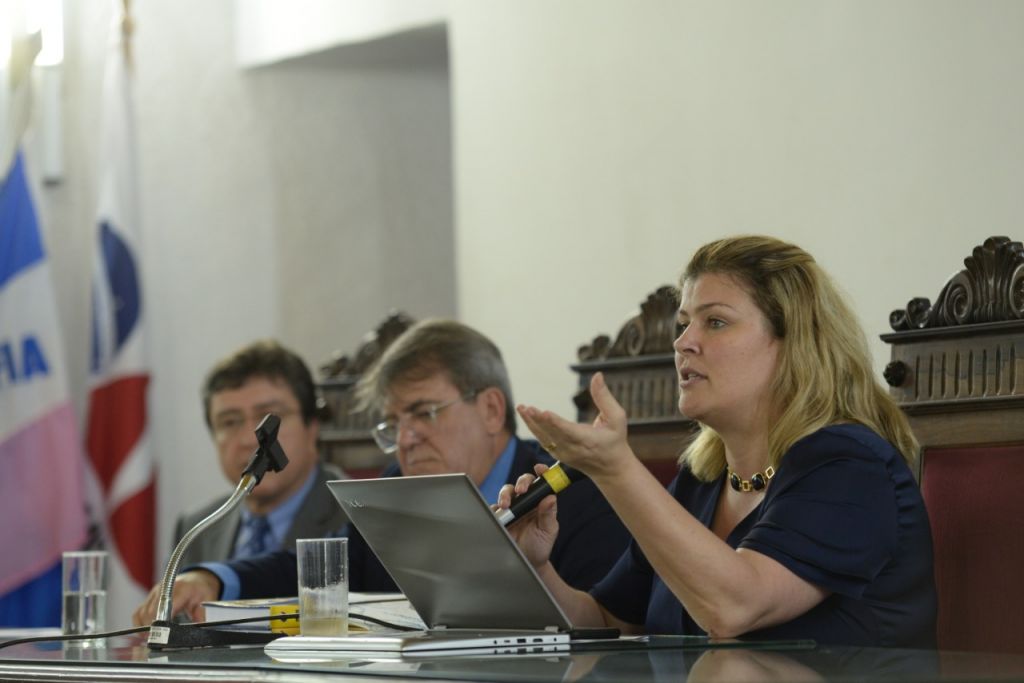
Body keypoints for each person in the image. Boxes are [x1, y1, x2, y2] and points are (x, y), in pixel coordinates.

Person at [500, 235, 937, 647]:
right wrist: (533, 567)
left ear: (794, 343)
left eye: (715, 322)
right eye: (684, 324)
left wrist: (615, 469)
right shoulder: (700, 481)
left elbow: (734, 608)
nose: (683, 342)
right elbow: (607, 622)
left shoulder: (851, 466)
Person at [134, 320, 630, 625]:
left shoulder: (574, 492)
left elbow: (611, 634)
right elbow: (316, 567)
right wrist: (214, 579)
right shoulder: (399, 485)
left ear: (491, 409)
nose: (406, 438)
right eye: (394, 423)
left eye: (423, 413)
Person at [170, 340, 347, 567]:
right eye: (230, 422)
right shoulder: (196, 528)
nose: (249, 439)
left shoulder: (357, 518)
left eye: (268, 419)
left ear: (312, 427)